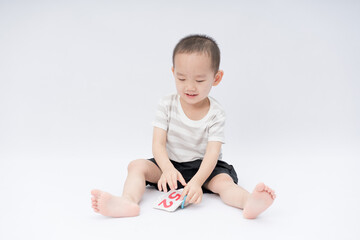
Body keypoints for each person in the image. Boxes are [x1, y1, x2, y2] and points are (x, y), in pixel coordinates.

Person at [91, 34, 276, 219]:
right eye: (181, 78)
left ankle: (249, 202)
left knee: (224, 183)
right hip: (170, 164)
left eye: (199, 80)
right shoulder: (167, 104)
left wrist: (196, 182)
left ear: (216, 78)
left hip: (206, 169)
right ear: (173, 73)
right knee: (136, 166)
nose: (190, 87)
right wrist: (168, 169)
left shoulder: (216, 113)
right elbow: (158, 144)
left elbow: (212, 153)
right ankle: (128, 201)